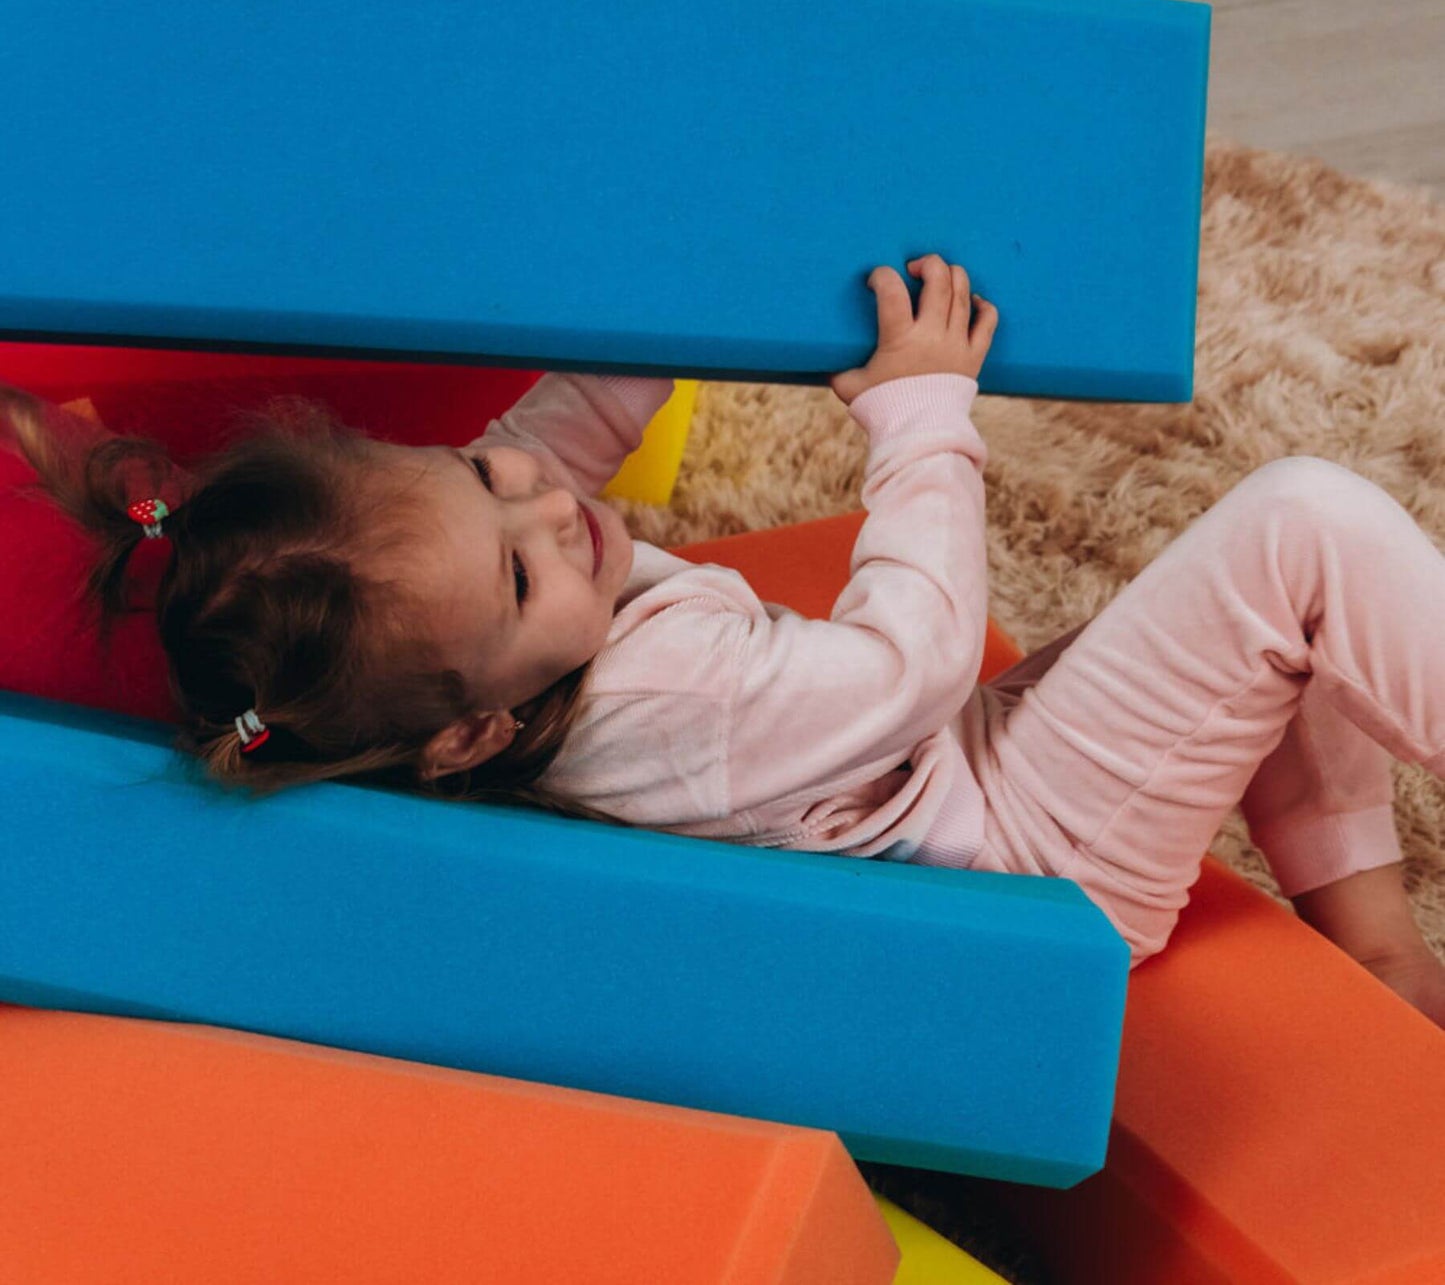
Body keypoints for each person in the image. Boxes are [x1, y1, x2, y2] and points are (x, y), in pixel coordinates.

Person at [3, 255, 1443, 1028]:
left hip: (967, 784)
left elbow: (556, 432)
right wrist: (919, 415)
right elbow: (913, 659)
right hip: (1024, 853)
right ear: (470, 731)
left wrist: (692, 266)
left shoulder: (490, 615)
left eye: (478, 478)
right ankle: (1372, 928)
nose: (546, 510)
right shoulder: (653, 699)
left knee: (1241, 616)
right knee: (1295, 528)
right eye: (515, 573)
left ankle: (1370, 941)